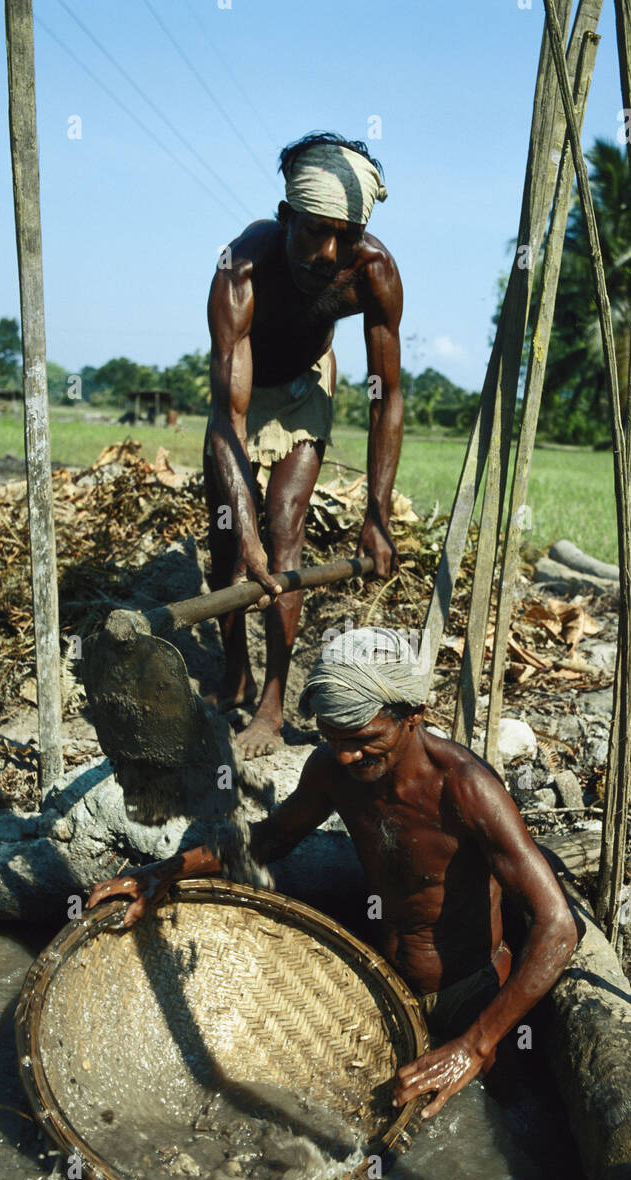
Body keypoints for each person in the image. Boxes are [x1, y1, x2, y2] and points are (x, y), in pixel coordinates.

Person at [85, 628, 578, 1120]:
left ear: (413, 717)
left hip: (470, 991)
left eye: (363, 739)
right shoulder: (333, 769)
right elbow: (272, 838)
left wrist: (473, 1045)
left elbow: (557, 927)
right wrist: (171, 869)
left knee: (505, 1120)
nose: (346, 755)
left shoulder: (466, 789)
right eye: (332, 738)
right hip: (385, 978)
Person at [203, 132, 404, 759]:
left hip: (306, 385)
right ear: (286, 215)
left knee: (285, 528)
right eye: (313, 230)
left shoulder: (371, 272)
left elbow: (385, 396)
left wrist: (378, 514)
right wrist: (245, 533)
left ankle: (271, 702)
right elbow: (226, 415)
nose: (325, 252)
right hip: (242, 391)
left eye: (341, 235)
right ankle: (232, 670)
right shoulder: (240, 267)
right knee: (228, 537)